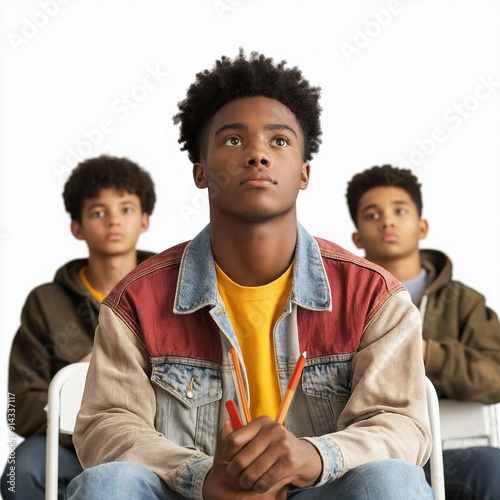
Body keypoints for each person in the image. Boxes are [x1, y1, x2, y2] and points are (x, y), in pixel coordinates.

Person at [66, 51, 434, 500]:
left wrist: (313, 457)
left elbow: (402, 424)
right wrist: (201, 476)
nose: (258, 154)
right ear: (201, 172)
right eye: (234, 141)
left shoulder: (372, 295)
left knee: (391, 480)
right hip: (192, 492)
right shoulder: (136, 300)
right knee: (110, 483)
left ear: (304, 173)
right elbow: (107, 426)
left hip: (320, 489)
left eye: (278, 141)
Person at [1, 154, 156, 500]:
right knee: (22, 469)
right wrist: (77, 392)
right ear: (77, 226)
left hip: (154, 444)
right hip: (72, 448)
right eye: (99, 212)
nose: (113, 221)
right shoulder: (45, 302)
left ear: (144, 220)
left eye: (126, 209)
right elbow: (19, 406)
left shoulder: (171, 289)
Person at [346, 163, 500, 499]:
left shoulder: (463, 302)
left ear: (421, 226)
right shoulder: (345, 303)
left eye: (399, 211)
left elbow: (495, 377)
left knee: (491, 467)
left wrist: (428, 353)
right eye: (372, 215)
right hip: (371, 457)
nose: (387, 221)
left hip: (444, 456)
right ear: (357, 237)